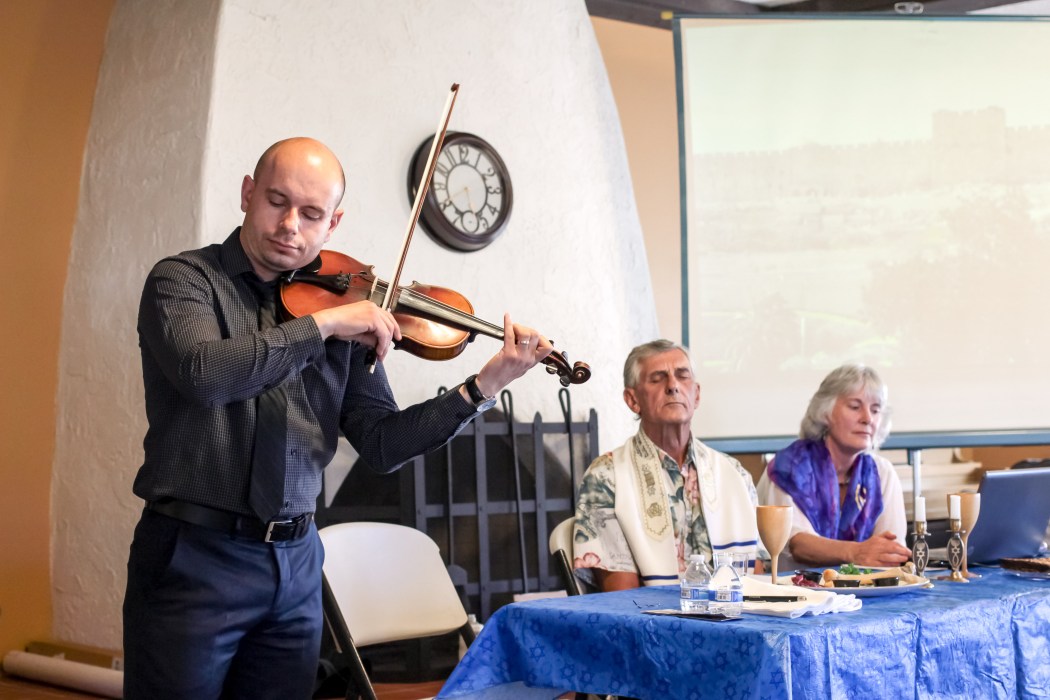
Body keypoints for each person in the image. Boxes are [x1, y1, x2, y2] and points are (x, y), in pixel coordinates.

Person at [123, 137, 553, 700]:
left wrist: (485, 384)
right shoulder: (184, 281)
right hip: (194, 555)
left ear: (334, 222)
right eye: (276, 201)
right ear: (248, 194)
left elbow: (381, 442)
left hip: (296, 563)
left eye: (312, 213)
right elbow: (206, 376)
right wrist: (323, 328)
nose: (290, 225)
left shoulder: (345, 304)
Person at [572, 339, 761, 592]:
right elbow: (621, 598)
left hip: (736, 620)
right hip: (652, 625)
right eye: (657, 379)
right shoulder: (607, 477)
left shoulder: (734, 474)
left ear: (697, 395)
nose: (672, 386)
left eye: (683, 376)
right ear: (632, 399)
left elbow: (755, 578)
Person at [756, 364, 909, 569]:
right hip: (797, 593)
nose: (867, 419)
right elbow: (797, 543)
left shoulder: (882, 472)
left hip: (868, 594)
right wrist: (856, 552)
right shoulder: (790, 467)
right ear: (824, 412)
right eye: (855, 407)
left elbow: (890, 549)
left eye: (875, 410)